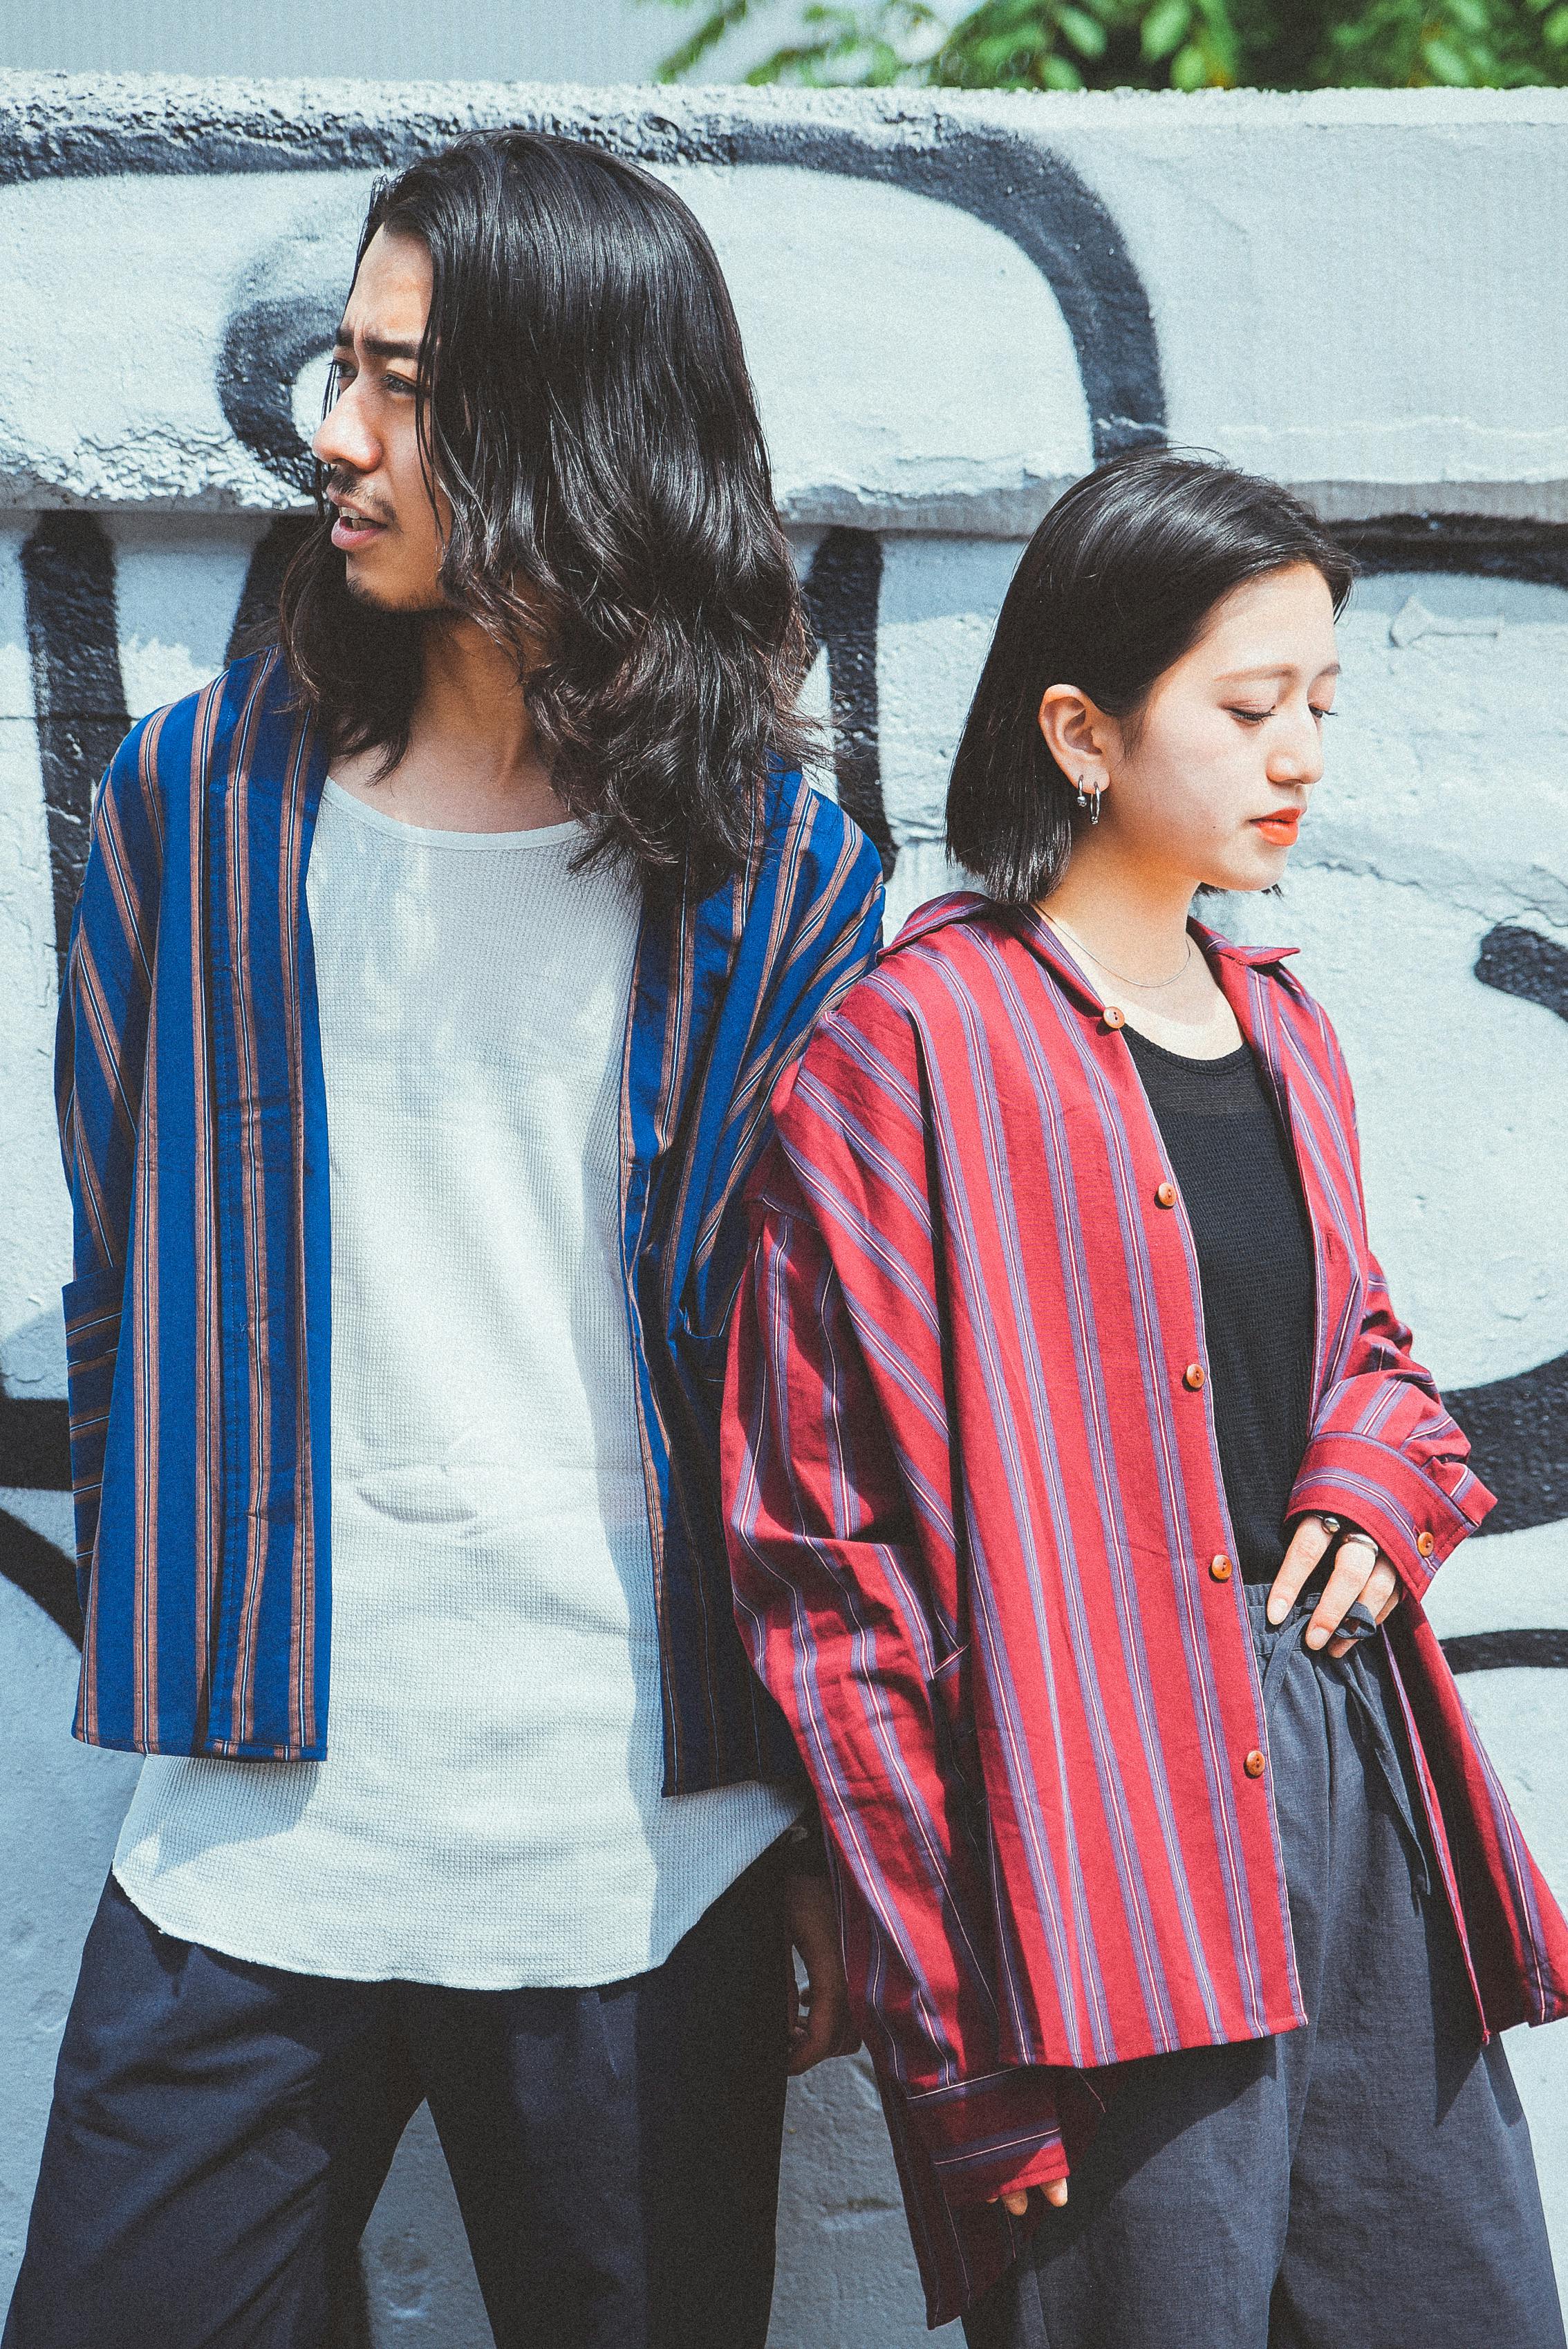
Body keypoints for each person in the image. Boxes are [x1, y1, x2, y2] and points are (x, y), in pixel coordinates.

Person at [10, 132, 879, 2349]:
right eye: (345, 366)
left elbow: (823, 1406)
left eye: (402, 385)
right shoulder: (196, 807)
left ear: (572, 424)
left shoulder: (776, 880)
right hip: (245, 1833)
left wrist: (817, 1822)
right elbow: (118, 1273)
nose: (334, 430)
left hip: (640, 1858)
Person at [723, 447, 1568, 2348]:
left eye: (1319, 706)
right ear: (1080, 732)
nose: (1300, 757)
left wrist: (1371, 1482)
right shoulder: (902, 1058)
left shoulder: (1285, 1026)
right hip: (1090, 1849)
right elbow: (823, 1577)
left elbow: (1364, 1354)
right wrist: (952, 2046)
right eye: (1250, 709)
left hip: (1356, 1775)